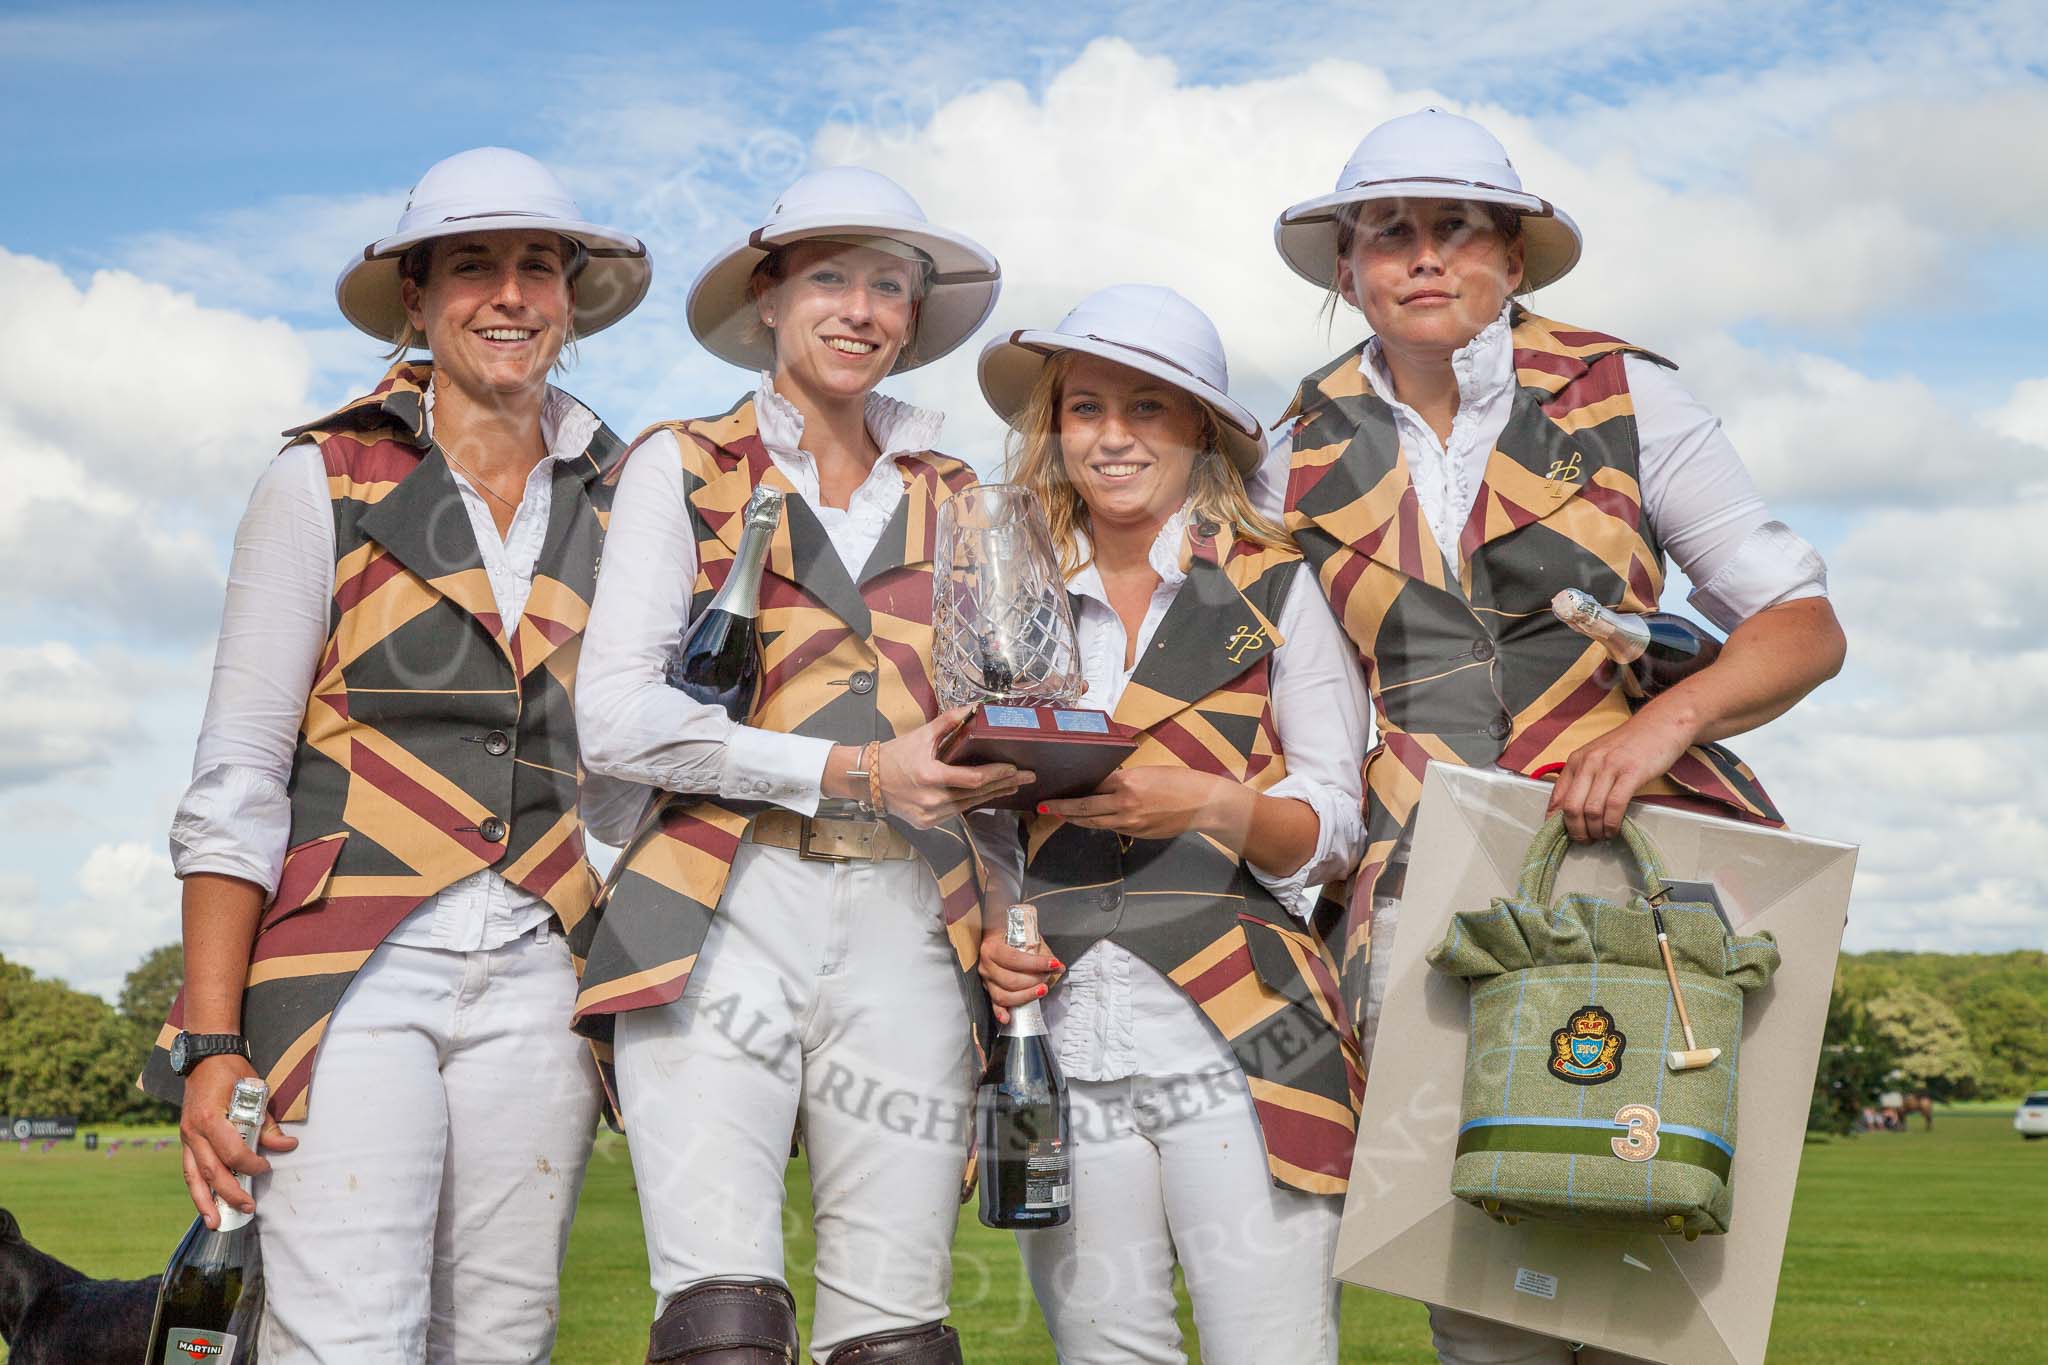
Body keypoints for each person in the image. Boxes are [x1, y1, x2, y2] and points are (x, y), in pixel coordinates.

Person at [1262, 107, 1847, 1364]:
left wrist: (1662, 724)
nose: (1424, 255)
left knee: (1645, 1234)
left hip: (1635, 853)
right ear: (1347, 269)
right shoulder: (1283, 451)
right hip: (1414, 877)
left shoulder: (1627, 394)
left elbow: (1800, 625)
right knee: (1476, 1273)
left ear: (1512, 257)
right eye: (1388, 232)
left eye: (1456, 227)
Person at [138, 147, 651, 1361]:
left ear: (571, 299)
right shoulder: (319, 476)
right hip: (342, 968)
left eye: (538, 266)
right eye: (473, 266)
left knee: (502, 1339)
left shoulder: (633, 495)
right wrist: (211, 1040)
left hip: (545, 968)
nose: (510, 294)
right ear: (416, 299)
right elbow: (239, 769)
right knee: (347, 1336)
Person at [569, 166, 1017, 1364]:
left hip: (913, 917)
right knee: (720, 1320)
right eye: (828, 278)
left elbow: (990, 740)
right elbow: (614, 719)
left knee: (896, 1327)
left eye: (888, 287)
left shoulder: (961, 496)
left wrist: (1009, 919)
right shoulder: (682, 462)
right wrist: (854, 771)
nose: (859, 310)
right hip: (714, 905)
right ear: (767, 298)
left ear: (911, 318)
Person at [974, 285, 1369, 1364]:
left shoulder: (1275, 584)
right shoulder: (1006, 592)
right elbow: (982, 818)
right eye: (1085, 408)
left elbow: (1335, 822)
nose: (1112, 436)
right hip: (1057, 1036)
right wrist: (996, 928)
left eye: (1146, 408)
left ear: (1200, 428)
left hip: (1246, 1029)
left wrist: (1211, 803)